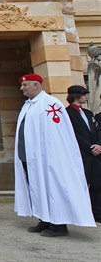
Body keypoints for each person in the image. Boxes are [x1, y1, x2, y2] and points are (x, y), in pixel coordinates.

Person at [15, 74, 96, 236]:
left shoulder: (50, 104)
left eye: (25, 85)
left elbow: (56, 134)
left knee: (53, 188)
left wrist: (49, 156)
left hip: (49, 158)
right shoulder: (29, 105)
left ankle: (58, 225)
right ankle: (44, 219)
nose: (22, 88)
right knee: (38, 188)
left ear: (36, 85)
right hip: (31, 158)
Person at [65, 85, 101, 222]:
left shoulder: (88, 113)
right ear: (75, 95)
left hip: (95, 155)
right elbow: (72, 134)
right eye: (84, 94)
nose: (87, 97)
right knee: (81, 185)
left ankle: (97, 213)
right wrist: (89, 147)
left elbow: (97, 130)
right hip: (82, 155)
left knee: (97, 185)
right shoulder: (67, 113)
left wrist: (98, 144)